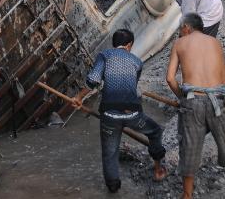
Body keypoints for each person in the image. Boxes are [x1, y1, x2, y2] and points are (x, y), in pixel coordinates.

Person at [71, 28, 167, 193]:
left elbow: (93, 80)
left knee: (110, 152)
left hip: (109, 116)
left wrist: (79, 98)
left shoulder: (104, 55)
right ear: (129, 45)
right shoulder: (137, 62)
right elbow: (131, 87)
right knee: (155, 131)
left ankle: (113, 188)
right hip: (133, 115)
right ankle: (158, 167)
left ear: (114, 44)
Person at [166, 13, 225, 198]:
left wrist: (182, 97)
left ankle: (187, 195)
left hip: (193, 102)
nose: (180, 33)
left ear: (187, 26)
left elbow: (170, 78)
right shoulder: (215, 42)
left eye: (180, 29)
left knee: (189, 146)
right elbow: (224, 79)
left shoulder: (180, 44)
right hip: (219, 100)